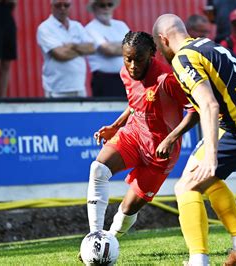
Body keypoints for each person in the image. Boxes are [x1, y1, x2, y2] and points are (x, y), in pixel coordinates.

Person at [153, 14, 236, 265]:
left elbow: (209, 105)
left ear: (163, 39)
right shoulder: (208, 46)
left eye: (159, 48)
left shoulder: (183, 59)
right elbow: (202, 105)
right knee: (204, 179)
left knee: (186, 187)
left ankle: (198, 260)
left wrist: (211, 155)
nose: (160, 53)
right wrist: (173, 136)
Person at [86, 31, 198, 241]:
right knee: (98, 169)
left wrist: (170, 138)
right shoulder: (125, 73)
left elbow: (195, 110)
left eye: (139, 60)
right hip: (134, 135)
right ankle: (95, 237)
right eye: (128, 59)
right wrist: (116, 126)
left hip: (160, 152)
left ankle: (110, 240)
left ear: (151, 55)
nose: (133, 66)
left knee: (128, 208)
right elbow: (135, 102)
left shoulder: (166, 80)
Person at [36, 0, 95, 98]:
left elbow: (91, 48)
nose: (62, 8)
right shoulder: (45, 28)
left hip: (79, 87)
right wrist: (81, 50)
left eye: (66, 5)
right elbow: (60, 55)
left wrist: (72, 45)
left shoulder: (77, 26)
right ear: (52, 6)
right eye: (58, 5)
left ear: (70, 6)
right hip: (56, 89)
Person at [85, 0, 129, 97]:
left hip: (127, 79)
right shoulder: (90, 28)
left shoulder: (121, 25)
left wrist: (112, 44)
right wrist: (124, 45)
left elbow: (134, 46)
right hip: (105, 80)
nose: (106, 8)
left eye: (109, 4)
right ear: (94, 8)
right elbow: (108, 50)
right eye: (102, 5)